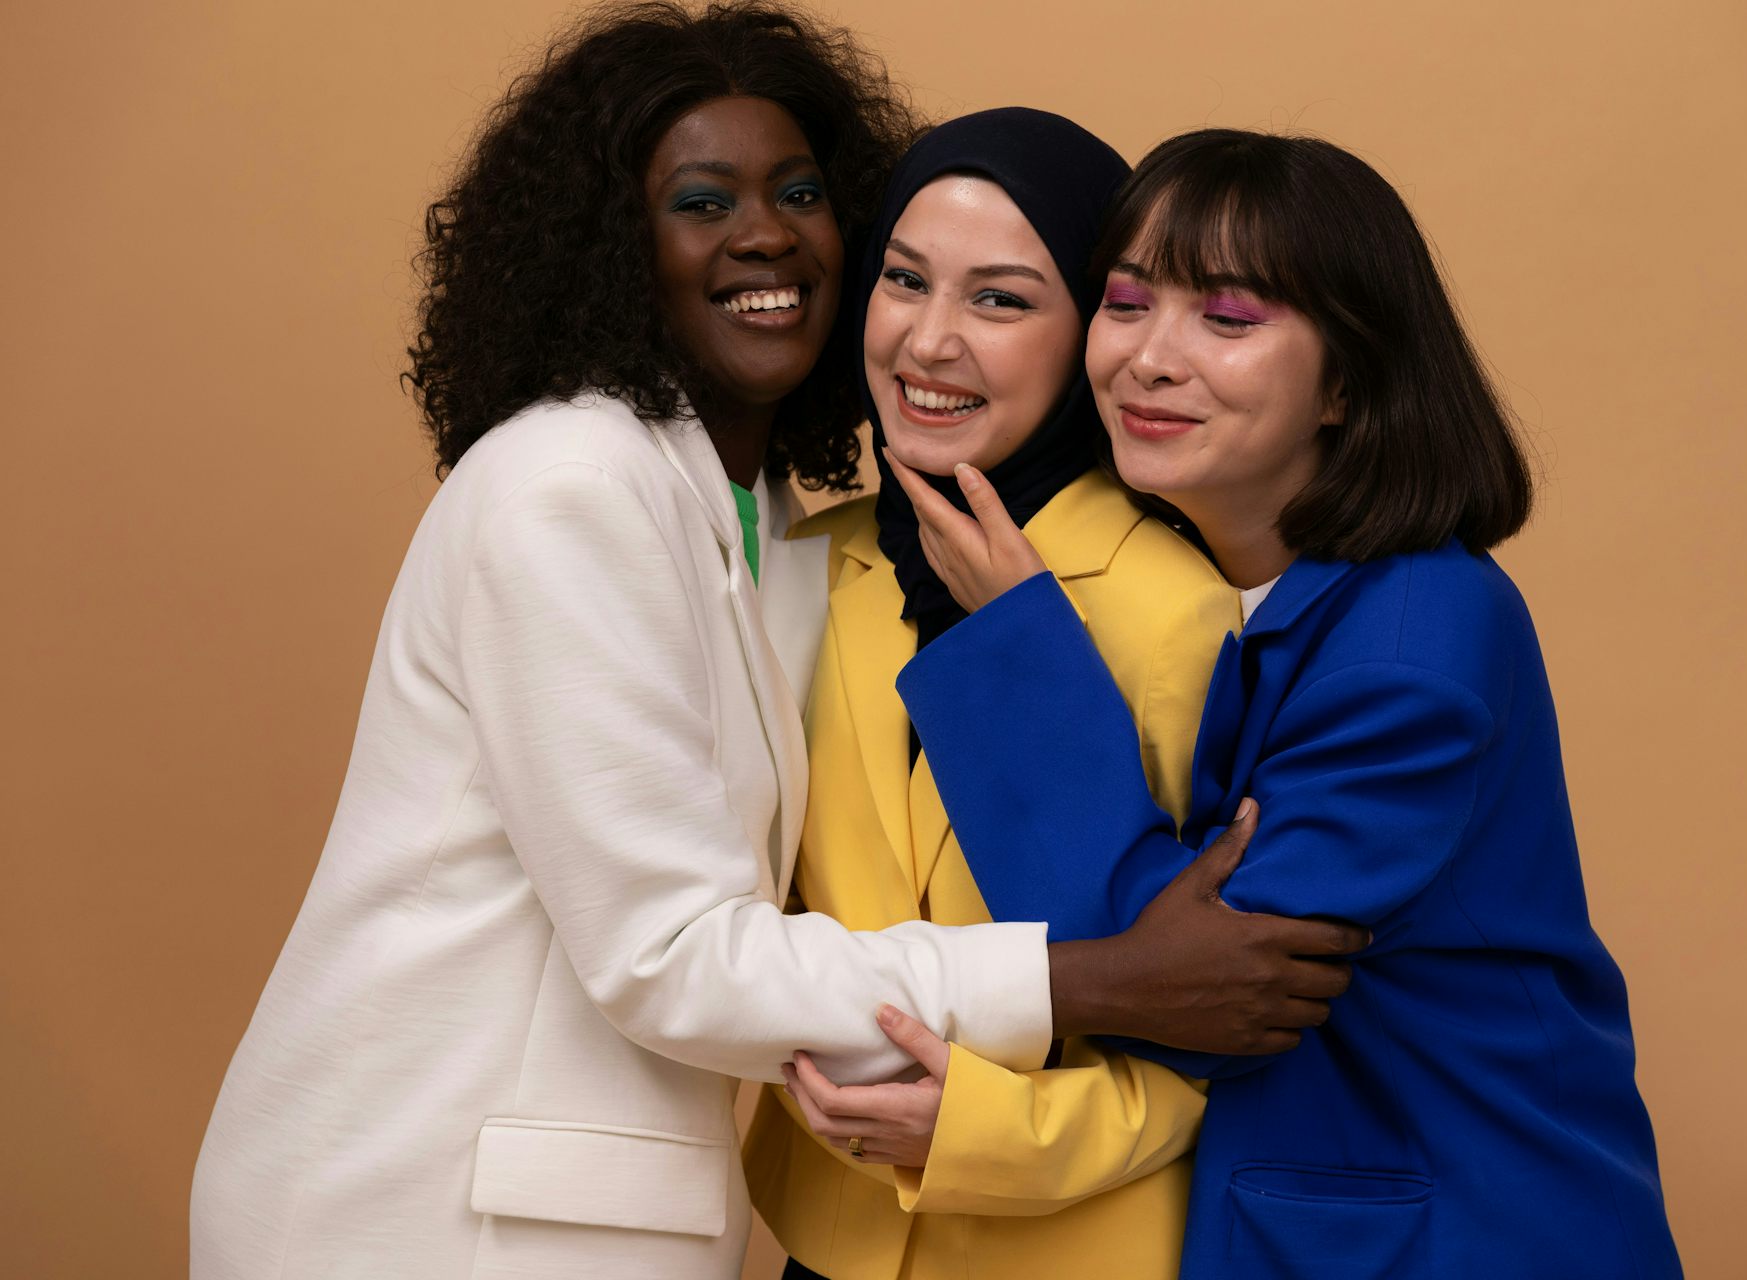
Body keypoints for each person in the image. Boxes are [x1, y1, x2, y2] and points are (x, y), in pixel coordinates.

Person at [189, 10, 1362, 1277]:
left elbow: (1241, 1013)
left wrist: (1014, 1106)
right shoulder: (576, 491)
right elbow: (675, 953)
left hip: (694, 1214)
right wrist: (1098, 979)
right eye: (702, 200)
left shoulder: (786, 533)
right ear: (610, 249)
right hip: (429, 1208)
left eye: (801, 193)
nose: (764, 233)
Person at [888, 129, 1684, 1278]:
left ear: (1348, 382)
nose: (1150, 360)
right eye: (1127, 303)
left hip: (1463, 1232)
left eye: (1228, 319)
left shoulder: (1415, 643)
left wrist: (1019, 643)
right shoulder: (1245, 591)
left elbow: (1204, 991)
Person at [743, 109, 1326, 1280]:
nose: (929, 341)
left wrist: (991, 1132)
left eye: (1002, 300)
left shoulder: (1182, 611)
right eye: (903, 280)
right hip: (824, 1231)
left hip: (1074, 1244)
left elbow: (1236, 1020)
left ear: (1088, 342)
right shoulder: (809, 565)